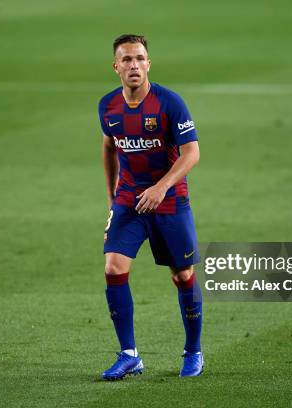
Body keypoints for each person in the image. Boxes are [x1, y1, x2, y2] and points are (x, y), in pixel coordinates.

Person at [98, 34, 203, 380]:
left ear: (149, 64)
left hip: (169, 200)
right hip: (129, 200)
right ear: (116, 66)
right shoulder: (108, 106)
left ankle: (193, 351)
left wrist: (161, 186)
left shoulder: (169, 103)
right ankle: (129, 354)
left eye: (140, 58)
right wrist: (113, 199)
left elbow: (192, 153)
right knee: (113, 267)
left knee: (182, 275)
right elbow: (110, 147)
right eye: (126, 60)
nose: (134, 65)